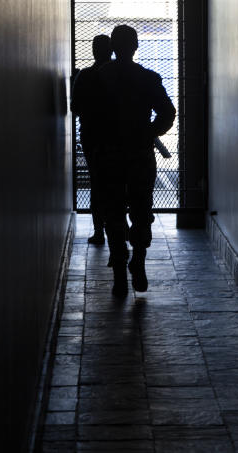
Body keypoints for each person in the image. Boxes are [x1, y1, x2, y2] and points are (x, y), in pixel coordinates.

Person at [92, 24, 176, 298]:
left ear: (112, 48)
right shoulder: (148, 78)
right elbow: (167, 112)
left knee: (113, 212)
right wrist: (149, 132)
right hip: (140, 155)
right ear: (136, 46)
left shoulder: (97, 79)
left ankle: (119, 274)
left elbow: (87, 119)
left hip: (108, 156)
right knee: (141, 210)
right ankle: (138, 258)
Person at [70, 34, 113, 245]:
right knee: (119, 182)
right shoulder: (122, 74)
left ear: (94, 51)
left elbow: (75, 107)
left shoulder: (85, 76)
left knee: (97, 182)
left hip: (92, 136)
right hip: (118, 136)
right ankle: (120, 226)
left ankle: (99, 230)